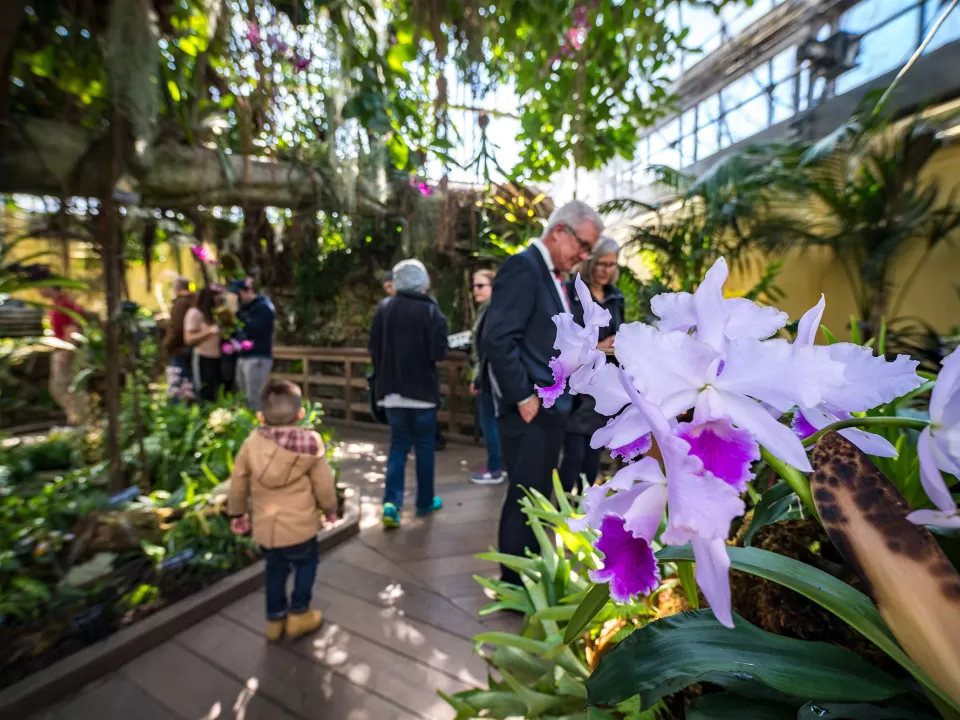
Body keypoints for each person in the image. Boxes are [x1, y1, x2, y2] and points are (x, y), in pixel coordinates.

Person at [481, 200, 602, 585]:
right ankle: (515, 584)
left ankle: (529, 576)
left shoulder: (550, 276)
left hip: (548, 408)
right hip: (529, 410)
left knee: (535, 498)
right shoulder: (524, 267)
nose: (583, 256)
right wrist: (523, 396)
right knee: (524, 500)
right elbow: (497, 338)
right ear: (559, 231)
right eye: (582, 246)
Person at [228, 380, 338, 642]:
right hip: (300, 527)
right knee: (306, 564)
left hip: (267, 529)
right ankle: (299, 613)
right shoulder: (310, 443)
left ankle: (274, 620)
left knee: (275, 570)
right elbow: (323, 483)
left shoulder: (252, 442)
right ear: (300, 415)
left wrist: (237, 514)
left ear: (260, 416)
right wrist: (330, 509)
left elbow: (238, 480)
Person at [368, 259, 449, 529]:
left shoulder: (384, 308)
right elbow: (439, 352)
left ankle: (391, 503)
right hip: (423, 392)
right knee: (424, 446)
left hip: (391, 390)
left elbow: (373, 347)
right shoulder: (430, 311)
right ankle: (424, 502)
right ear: (423, 282)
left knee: (398, 445)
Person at [558, 236, 624, 494]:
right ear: (590, 264)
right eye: (602, 264)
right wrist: (598, 346)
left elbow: (620, 331)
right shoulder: (574, 295)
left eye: (612, 264)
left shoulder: (616, 297)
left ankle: (585, 505)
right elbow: (565, 339)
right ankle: (563, 504)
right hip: (578, 382)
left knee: (593, 455)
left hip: (604, 382)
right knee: (573, 454)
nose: (607, 270)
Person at [469, 269, 504, 485]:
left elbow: (487, 349)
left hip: (491, 377)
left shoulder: (493, 312)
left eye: (481, 286)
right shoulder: (488, 310)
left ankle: (494, 468)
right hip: (491, 375)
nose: (475, 291)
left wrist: (477, 379)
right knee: (493, 421)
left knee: (490, 421)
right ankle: (500, 465)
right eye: (474, 286)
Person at [40, 285, 88, 425]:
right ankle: (75, 418)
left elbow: (72, 330)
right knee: (59, 387)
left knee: (67, 387)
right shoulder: (58, 304)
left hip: (66, 351)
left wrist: (67, 352)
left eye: (40, 287)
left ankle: (81, 420)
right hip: (61, 349)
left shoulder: (65, 305)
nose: (39, 291)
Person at [229, 277, 276, 411]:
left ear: (248, 290)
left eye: (239, 294)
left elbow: (254, 329)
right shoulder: (245, 308)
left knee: (254, 399)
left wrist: (237, 313)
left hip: (257, 357)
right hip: (243, 357)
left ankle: (259, 429)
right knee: (243, 398)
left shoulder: (264, 307)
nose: (237, 298)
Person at [184, 286, 223, 403]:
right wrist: (209, 331)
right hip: (202, 356)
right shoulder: (195, 313)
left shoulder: (214, 314)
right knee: (204, 391)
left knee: (216, 392)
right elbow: (188, 339)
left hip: (217, 357)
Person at [162, 277, 196, 401]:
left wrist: (167, 345)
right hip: (189, 349)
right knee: (188, 385)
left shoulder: (181, 303)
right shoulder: (193, 301)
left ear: (177, 289)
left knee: (179, 386)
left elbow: (177, 329)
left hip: (180, 349)